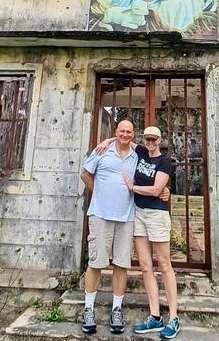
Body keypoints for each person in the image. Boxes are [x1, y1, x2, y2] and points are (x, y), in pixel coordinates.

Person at [96, 126, 181, 339]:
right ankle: (154, 316)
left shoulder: (164, 161)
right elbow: (123, 139)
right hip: (139, 213)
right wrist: (106, 141)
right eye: (148, 139)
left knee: (164, 265)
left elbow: (155, 189)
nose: (150, 142)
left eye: (154, 139)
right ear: (144, 140)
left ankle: (173, 317)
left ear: (160, 140)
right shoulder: (141, 152)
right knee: (145, 266)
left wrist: (132, 187)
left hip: (156, 215)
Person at [80, 120, 138, 334]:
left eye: (128, 132)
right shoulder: (101, 151)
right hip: (100, 215)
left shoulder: (135, 155)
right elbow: (85, 174)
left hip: (126, 217)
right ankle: (88, 310)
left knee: (122, 264)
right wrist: (99, 192)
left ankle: (116, 310)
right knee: (96, 263)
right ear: (116, 132)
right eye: (121, 131)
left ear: (133, 135)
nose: (125, 134)